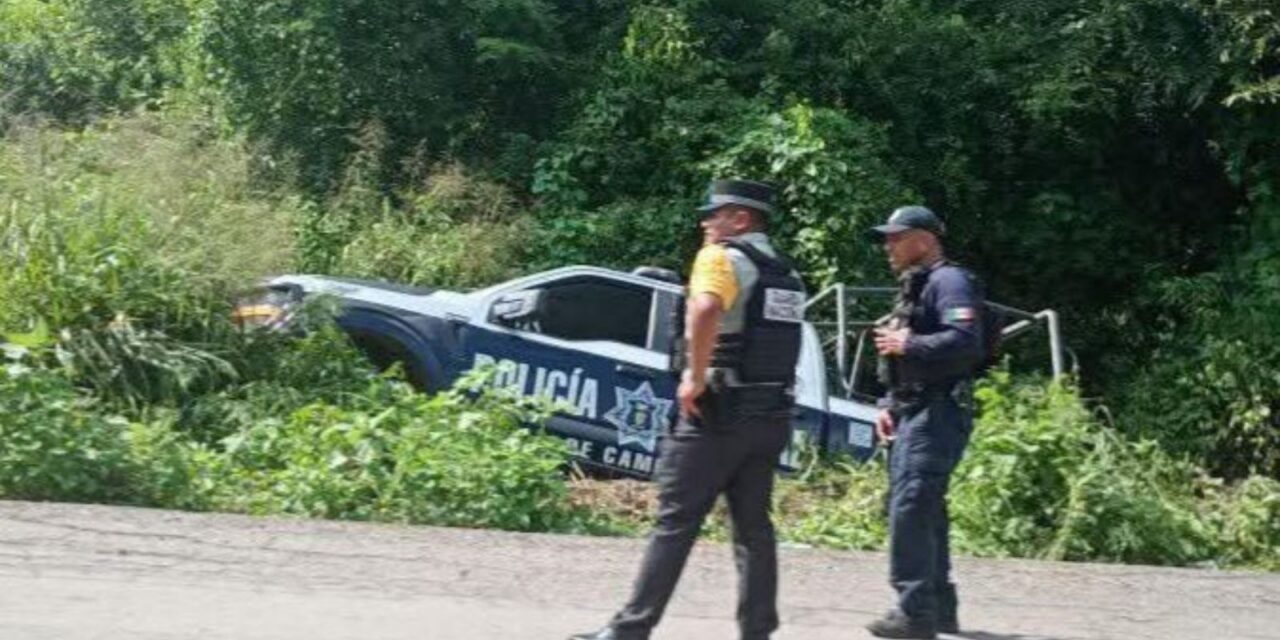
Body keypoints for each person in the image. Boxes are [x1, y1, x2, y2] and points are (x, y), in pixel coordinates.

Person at [570, 179, 806, 640]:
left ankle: (629, 629)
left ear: (740, 219)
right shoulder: (788, 275)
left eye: (714, 213)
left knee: (674, 522)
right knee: (754, 529)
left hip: (716, 415)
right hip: (770, 416)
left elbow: (704, 309)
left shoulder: (720, 257)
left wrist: (693, 377)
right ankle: (758, 631)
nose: (706, 222)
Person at [866, 205, 984, 639]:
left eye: (897, 236)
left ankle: (914, 612)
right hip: (913, 410)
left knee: (911, 506)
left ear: (925, 239)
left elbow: (964, 341)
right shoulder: (917, 287)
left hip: (938, 411)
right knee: (923, 508)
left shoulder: (950, 281)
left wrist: (908, 342)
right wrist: (888, 405)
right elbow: (902, 360)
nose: (888, 245)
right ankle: (939, 609)